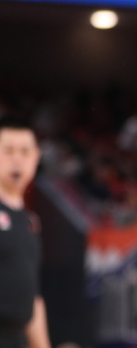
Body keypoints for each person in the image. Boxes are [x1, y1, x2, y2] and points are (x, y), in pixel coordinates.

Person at [0, 118, 50, 348]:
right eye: (8, 151)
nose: (17, 159)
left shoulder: (29, 221)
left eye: (25, 151)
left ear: (36, 157)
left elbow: (32, 298)